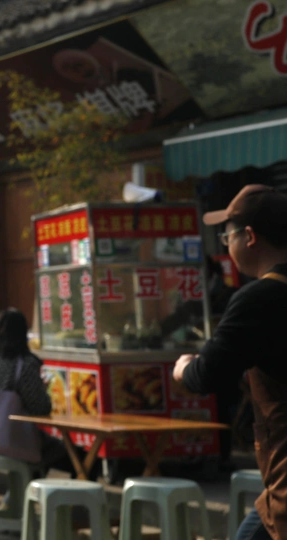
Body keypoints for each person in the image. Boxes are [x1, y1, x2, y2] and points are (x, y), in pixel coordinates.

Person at [173, 184, 287, 540]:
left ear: (249, 237)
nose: (226, 244)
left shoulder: (258, 299)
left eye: (227, 236)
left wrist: (183, 368)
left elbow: (209, 373)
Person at [0, 309, 82, 477]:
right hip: (7, 441)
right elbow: (41, 407)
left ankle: (21, 492)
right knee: (80, 458)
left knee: (38, 448)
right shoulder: (22, 364)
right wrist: (42, 389)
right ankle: (59, 495)